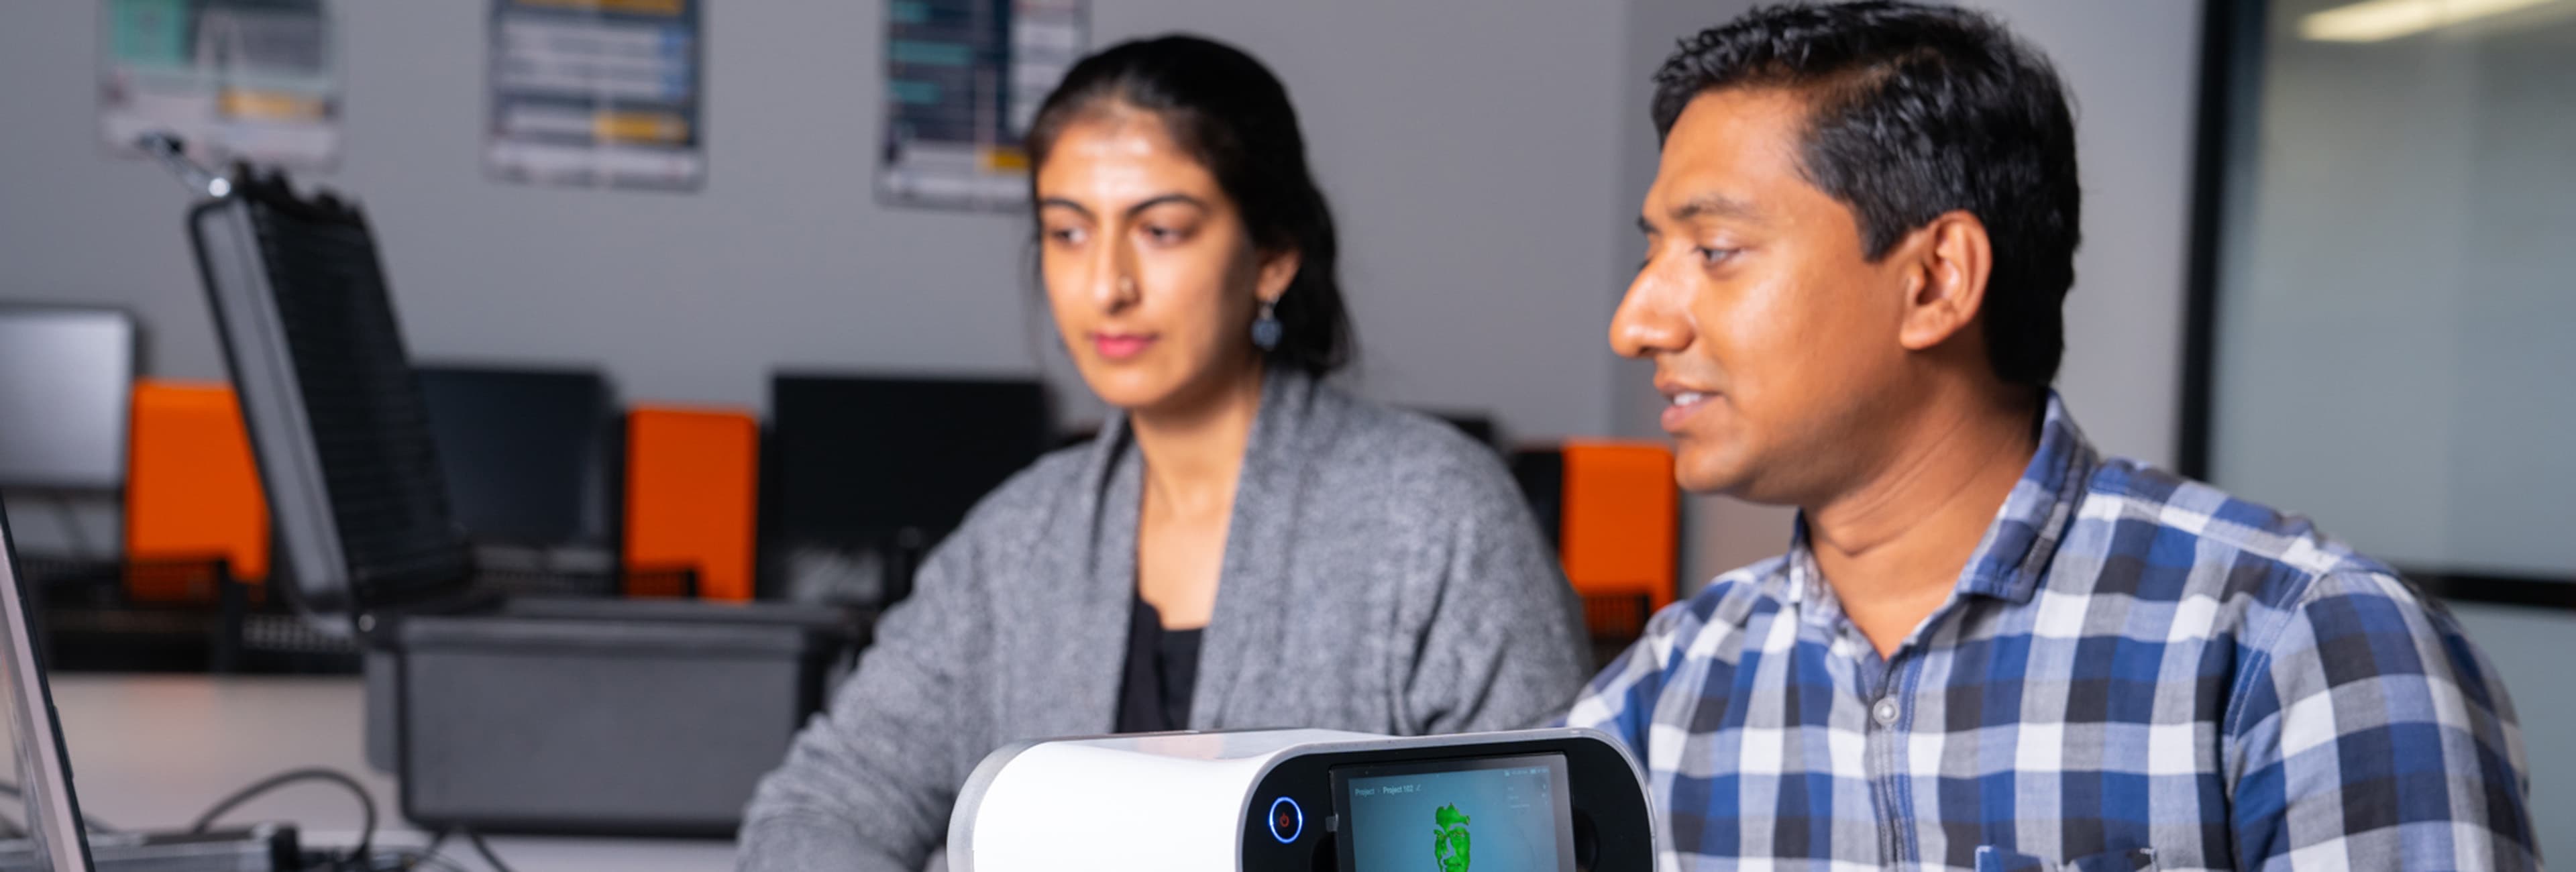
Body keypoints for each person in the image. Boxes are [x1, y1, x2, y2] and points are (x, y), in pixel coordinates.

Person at [1566, 3, 2537, 870]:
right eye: (1652, 254)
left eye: (1716, 252)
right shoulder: (1667, 694)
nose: (1636, 322)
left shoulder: (2299, 646)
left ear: (1937, 280)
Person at [739, 34, 1591, 871]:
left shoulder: (1434, 516)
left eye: (1162, 230)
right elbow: (818, 807)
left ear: (1273, 258)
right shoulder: (1018, 539)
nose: (1107, 284)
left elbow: (1551, 836)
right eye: (1068, 233)